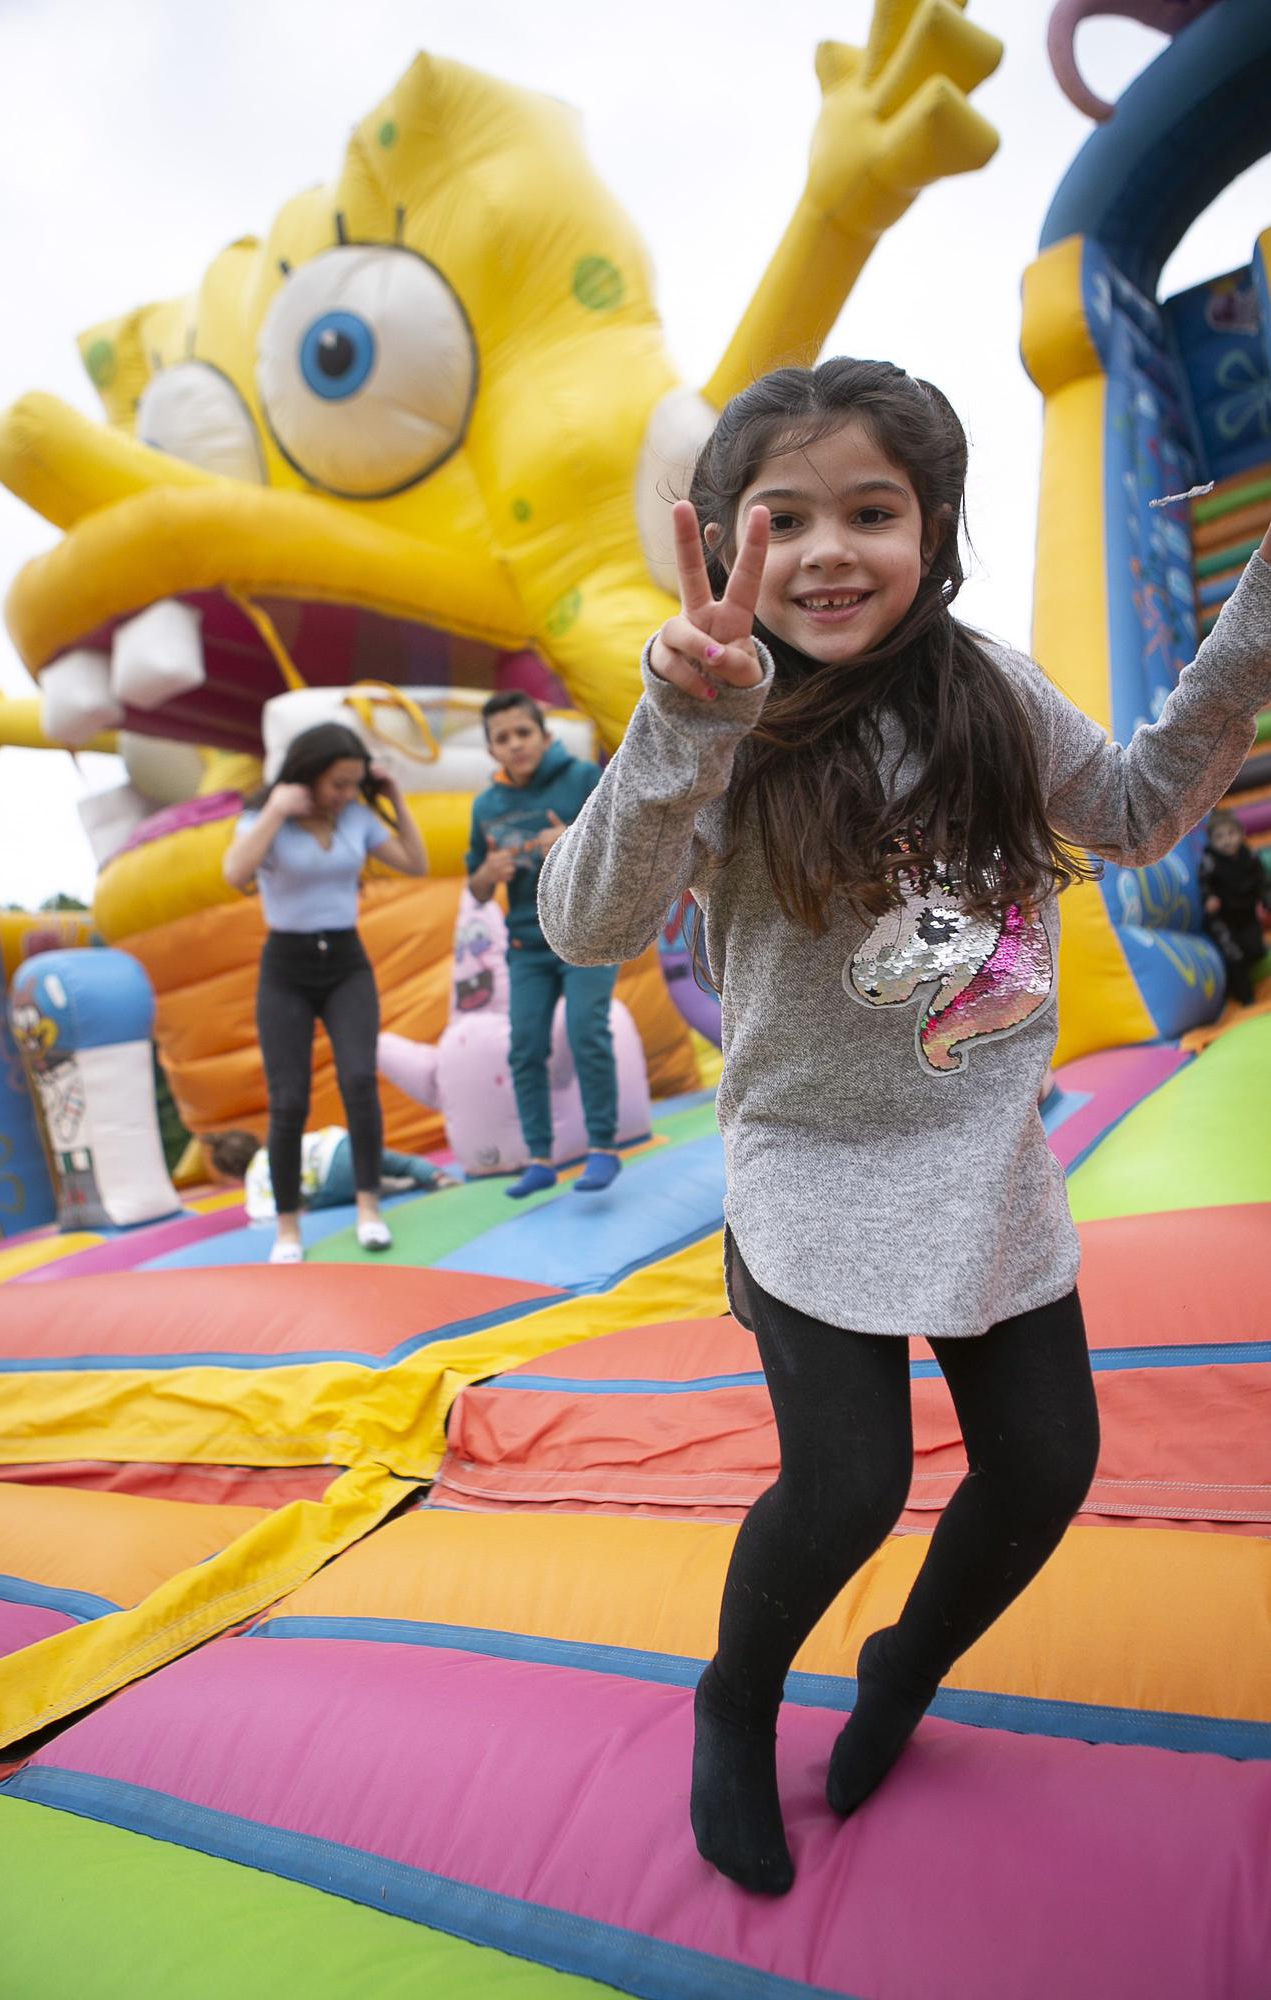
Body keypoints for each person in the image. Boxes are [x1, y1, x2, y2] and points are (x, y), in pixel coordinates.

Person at [538, 357, 1271, 1895]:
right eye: (781, 516)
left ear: (931, 532)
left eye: (868, 512)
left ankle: (903, 1666)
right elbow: (587, 924)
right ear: (726, 540)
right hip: (809, 1165)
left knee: (1046, 1467)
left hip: (980, 1157)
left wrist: (1253, 623)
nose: (824, 551)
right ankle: (734, 1697)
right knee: (849, 1482)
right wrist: (680, 715)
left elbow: (1132, 810)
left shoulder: (988, 690)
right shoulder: (717, 718)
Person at [222, 721, 428, 1264]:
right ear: (307, 775)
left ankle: (369, 1208)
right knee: (289, 1100)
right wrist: (275, 811)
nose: (343, 795)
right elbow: (233, 871)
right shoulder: (268, 816)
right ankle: (288, 1228)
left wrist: (393, 798)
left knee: (360, 1079)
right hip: (285, 968)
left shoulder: (356, 817)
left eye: (352, 784)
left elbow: (417, 862)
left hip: (345, 962)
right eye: (336, 784)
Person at [467, 691, 623, 1198]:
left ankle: (602, 1147)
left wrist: (572, 838)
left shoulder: (579, 778)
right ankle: (539, 1156)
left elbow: (620, 841)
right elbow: (476, 887)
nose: (515, 745)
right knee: (525, 1046)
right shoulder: (487, 805)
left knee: (585, 1031)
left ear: (545, 736)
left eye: (523, 733)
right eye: (502, 739)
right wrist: (487, 874)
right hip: (527, 944)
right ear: (491, 750)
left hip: (585, 933)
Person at [207, 1127, 458, 1220]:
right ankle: (437, 1176)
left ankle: (382, 1186)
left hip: (333, 1172)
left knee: (316, 1201)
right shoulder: (278, 1145)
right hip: (343, 1141)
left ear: (233, 1170)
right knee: (400, 1162)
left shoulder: (255, 1174)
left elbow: (262, 1211)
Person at [1200, 806, 1268, 1006]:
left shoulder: (1250, 857)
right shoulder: (1210, 861)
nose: (1227, 840)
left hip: (1246, 914)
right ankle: (1246, 998)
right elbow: (1204, 883)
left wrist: (1265, 899)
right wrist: (1209, 898)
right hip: (1223, 919)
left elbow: (1262, 881)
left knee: (1256, 951)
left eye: (1231, 834)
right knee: (1235, 956)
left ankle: (1241, 982)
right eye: (1219, 837)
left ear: (1241, 833)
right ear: (1211, 842)